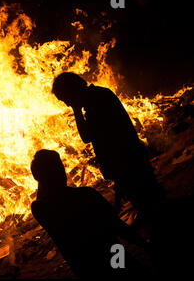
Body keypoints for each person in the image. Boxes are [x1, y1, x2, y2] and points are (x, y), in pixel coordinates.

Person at [51, 72, 164, 219]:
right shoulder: (98, 95)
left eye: (65, 99)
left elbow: (88, 137)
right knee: (150, 203)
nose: (66, 103)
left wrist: (76, 110)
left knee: (152, 207)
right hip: (129, 160)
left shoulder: (96, 101)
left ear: (71, 91)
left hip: (128, 162)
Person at [30, 149, 150, 278]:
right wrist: (144, 244)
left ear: (38, 178)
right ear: (58, 173)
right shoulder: (86, 195)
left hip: (85, 268)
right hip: (114, 256)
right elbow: (117, 226)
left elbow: (49, 197)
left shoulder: (39, 209)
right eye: (60, 167)